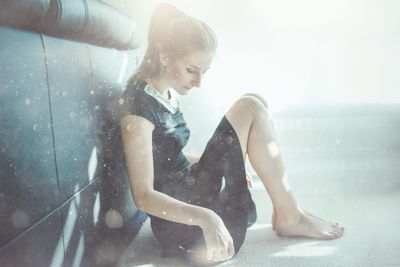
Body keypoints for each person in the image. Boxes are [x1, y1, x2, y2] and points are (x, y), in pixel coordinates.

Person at [119, 3, 344, 265]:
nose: (198, 82)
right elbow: (143, 196)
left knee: (255, 100)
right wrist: (207, 218)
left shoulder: (164, 91)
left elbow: (167, 157)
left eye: (204, 72)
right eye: (192, 70)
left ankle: (288, 211)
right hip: (182, 223)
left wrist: (229, 161)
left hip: (190, 189)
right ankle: (289, 215)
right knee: (250, 107)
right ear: (165, 56)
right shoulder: (137, 109)